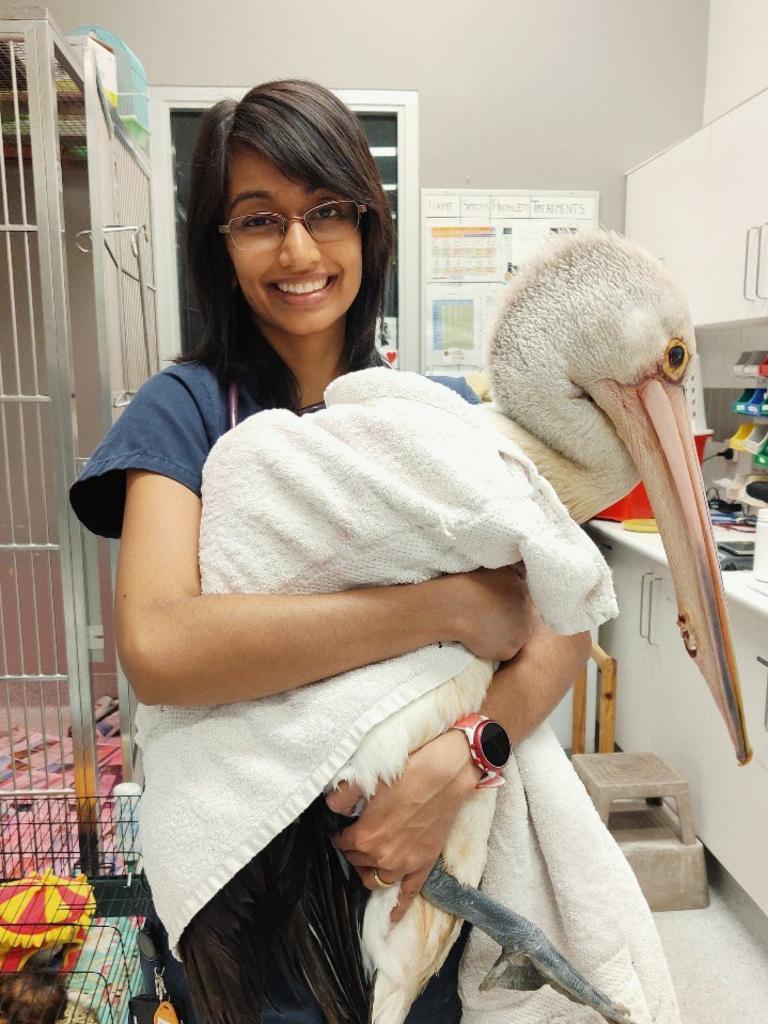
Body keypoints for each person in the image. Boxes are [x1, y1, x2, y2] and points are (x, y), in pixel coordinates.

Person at [70, 80, 591, 1023]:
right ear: (217, 247)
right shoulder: (185, 412)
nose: (300, 250)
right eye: (258, 219)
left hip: (413, 881)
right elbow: (161, 649)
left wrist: (466, 758)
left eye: (325, 212)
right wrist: (442, 608)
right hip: (252, 912)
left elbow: (562, 617)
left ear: (368, 225)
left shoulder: (435, 413)